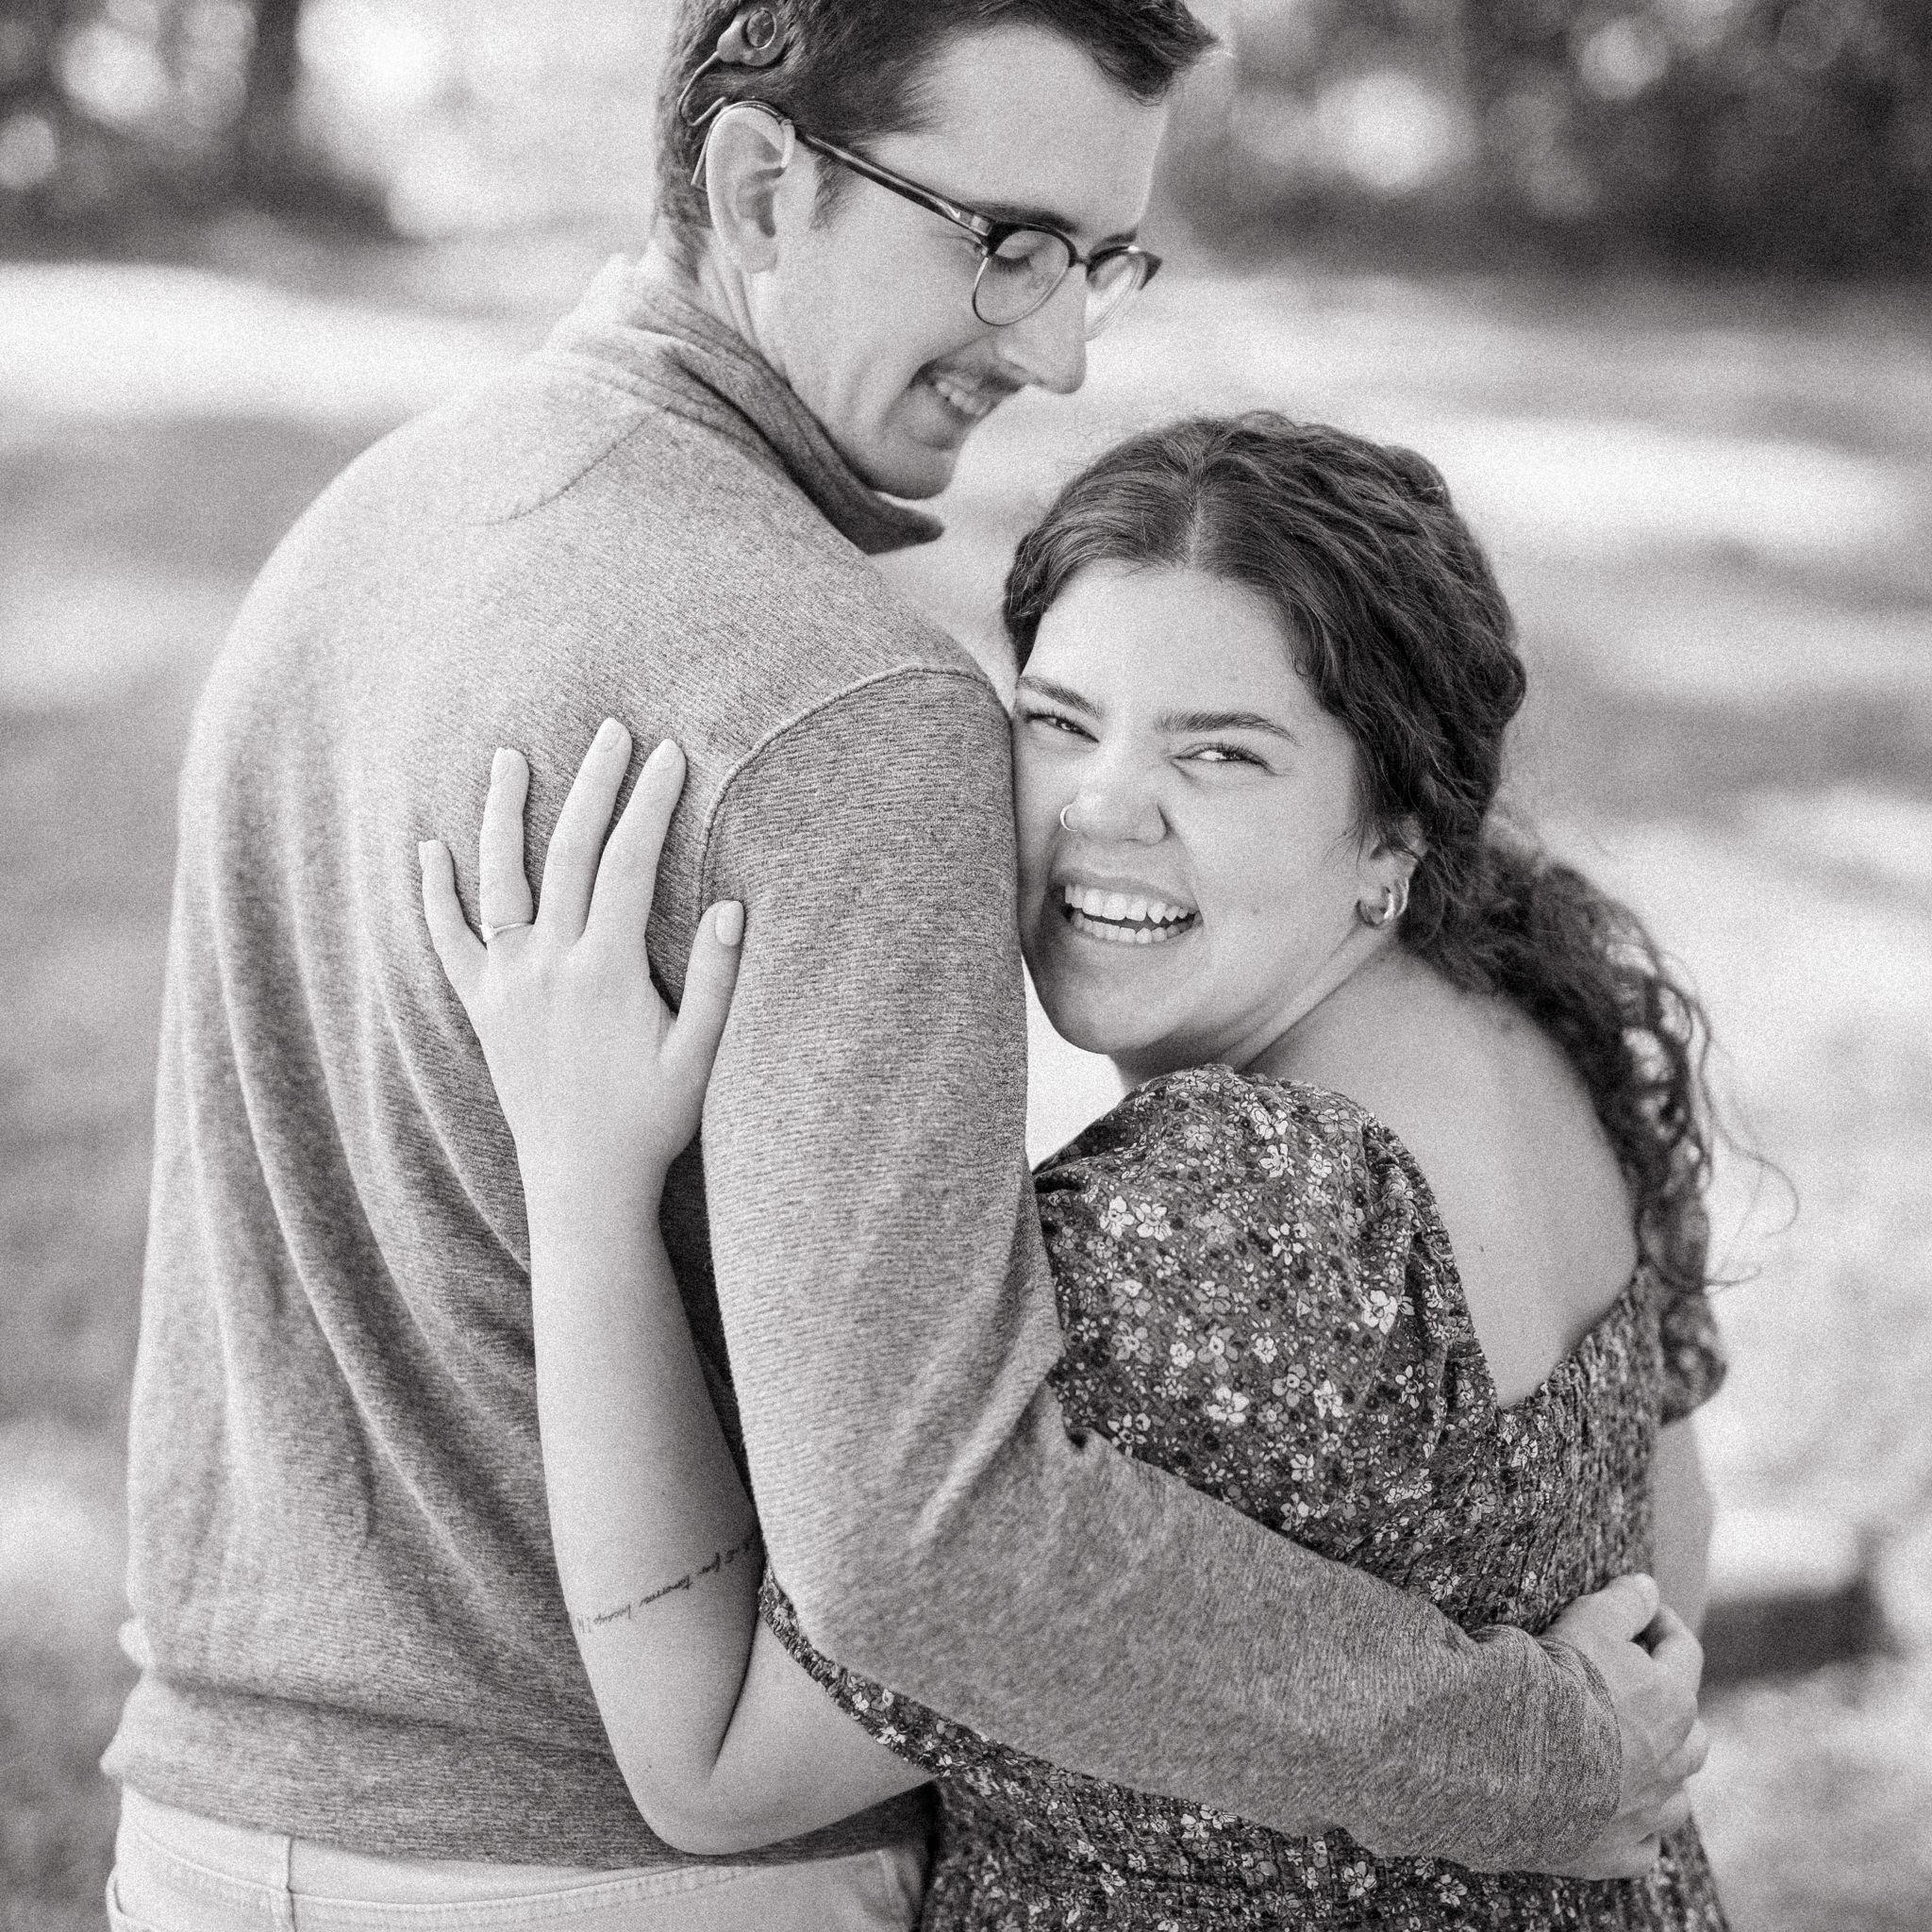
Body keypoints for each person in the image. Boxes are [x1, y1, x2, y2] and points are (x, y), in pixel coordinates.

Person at [104, 0, 1703, 1924]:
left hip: (209, 1829)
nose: (1057, 344)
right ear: (758, 184)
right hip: (601, 1869)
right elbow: (930, 1548)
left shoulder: (361, 537)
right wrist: (1538, 1758)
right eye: (1006, 242)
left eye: (1098, 261)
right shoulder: (847, 705)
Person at [420, 412, 1729, 1928]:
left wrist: (584, 1180)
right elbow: (1675, 1550)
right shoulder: (1534, 1022)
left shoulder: (1231, 1221)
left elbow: (714, 1766)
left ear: (1394, 829)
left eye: (1220, 752)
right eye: (1058, 721)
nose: (1104, 805)